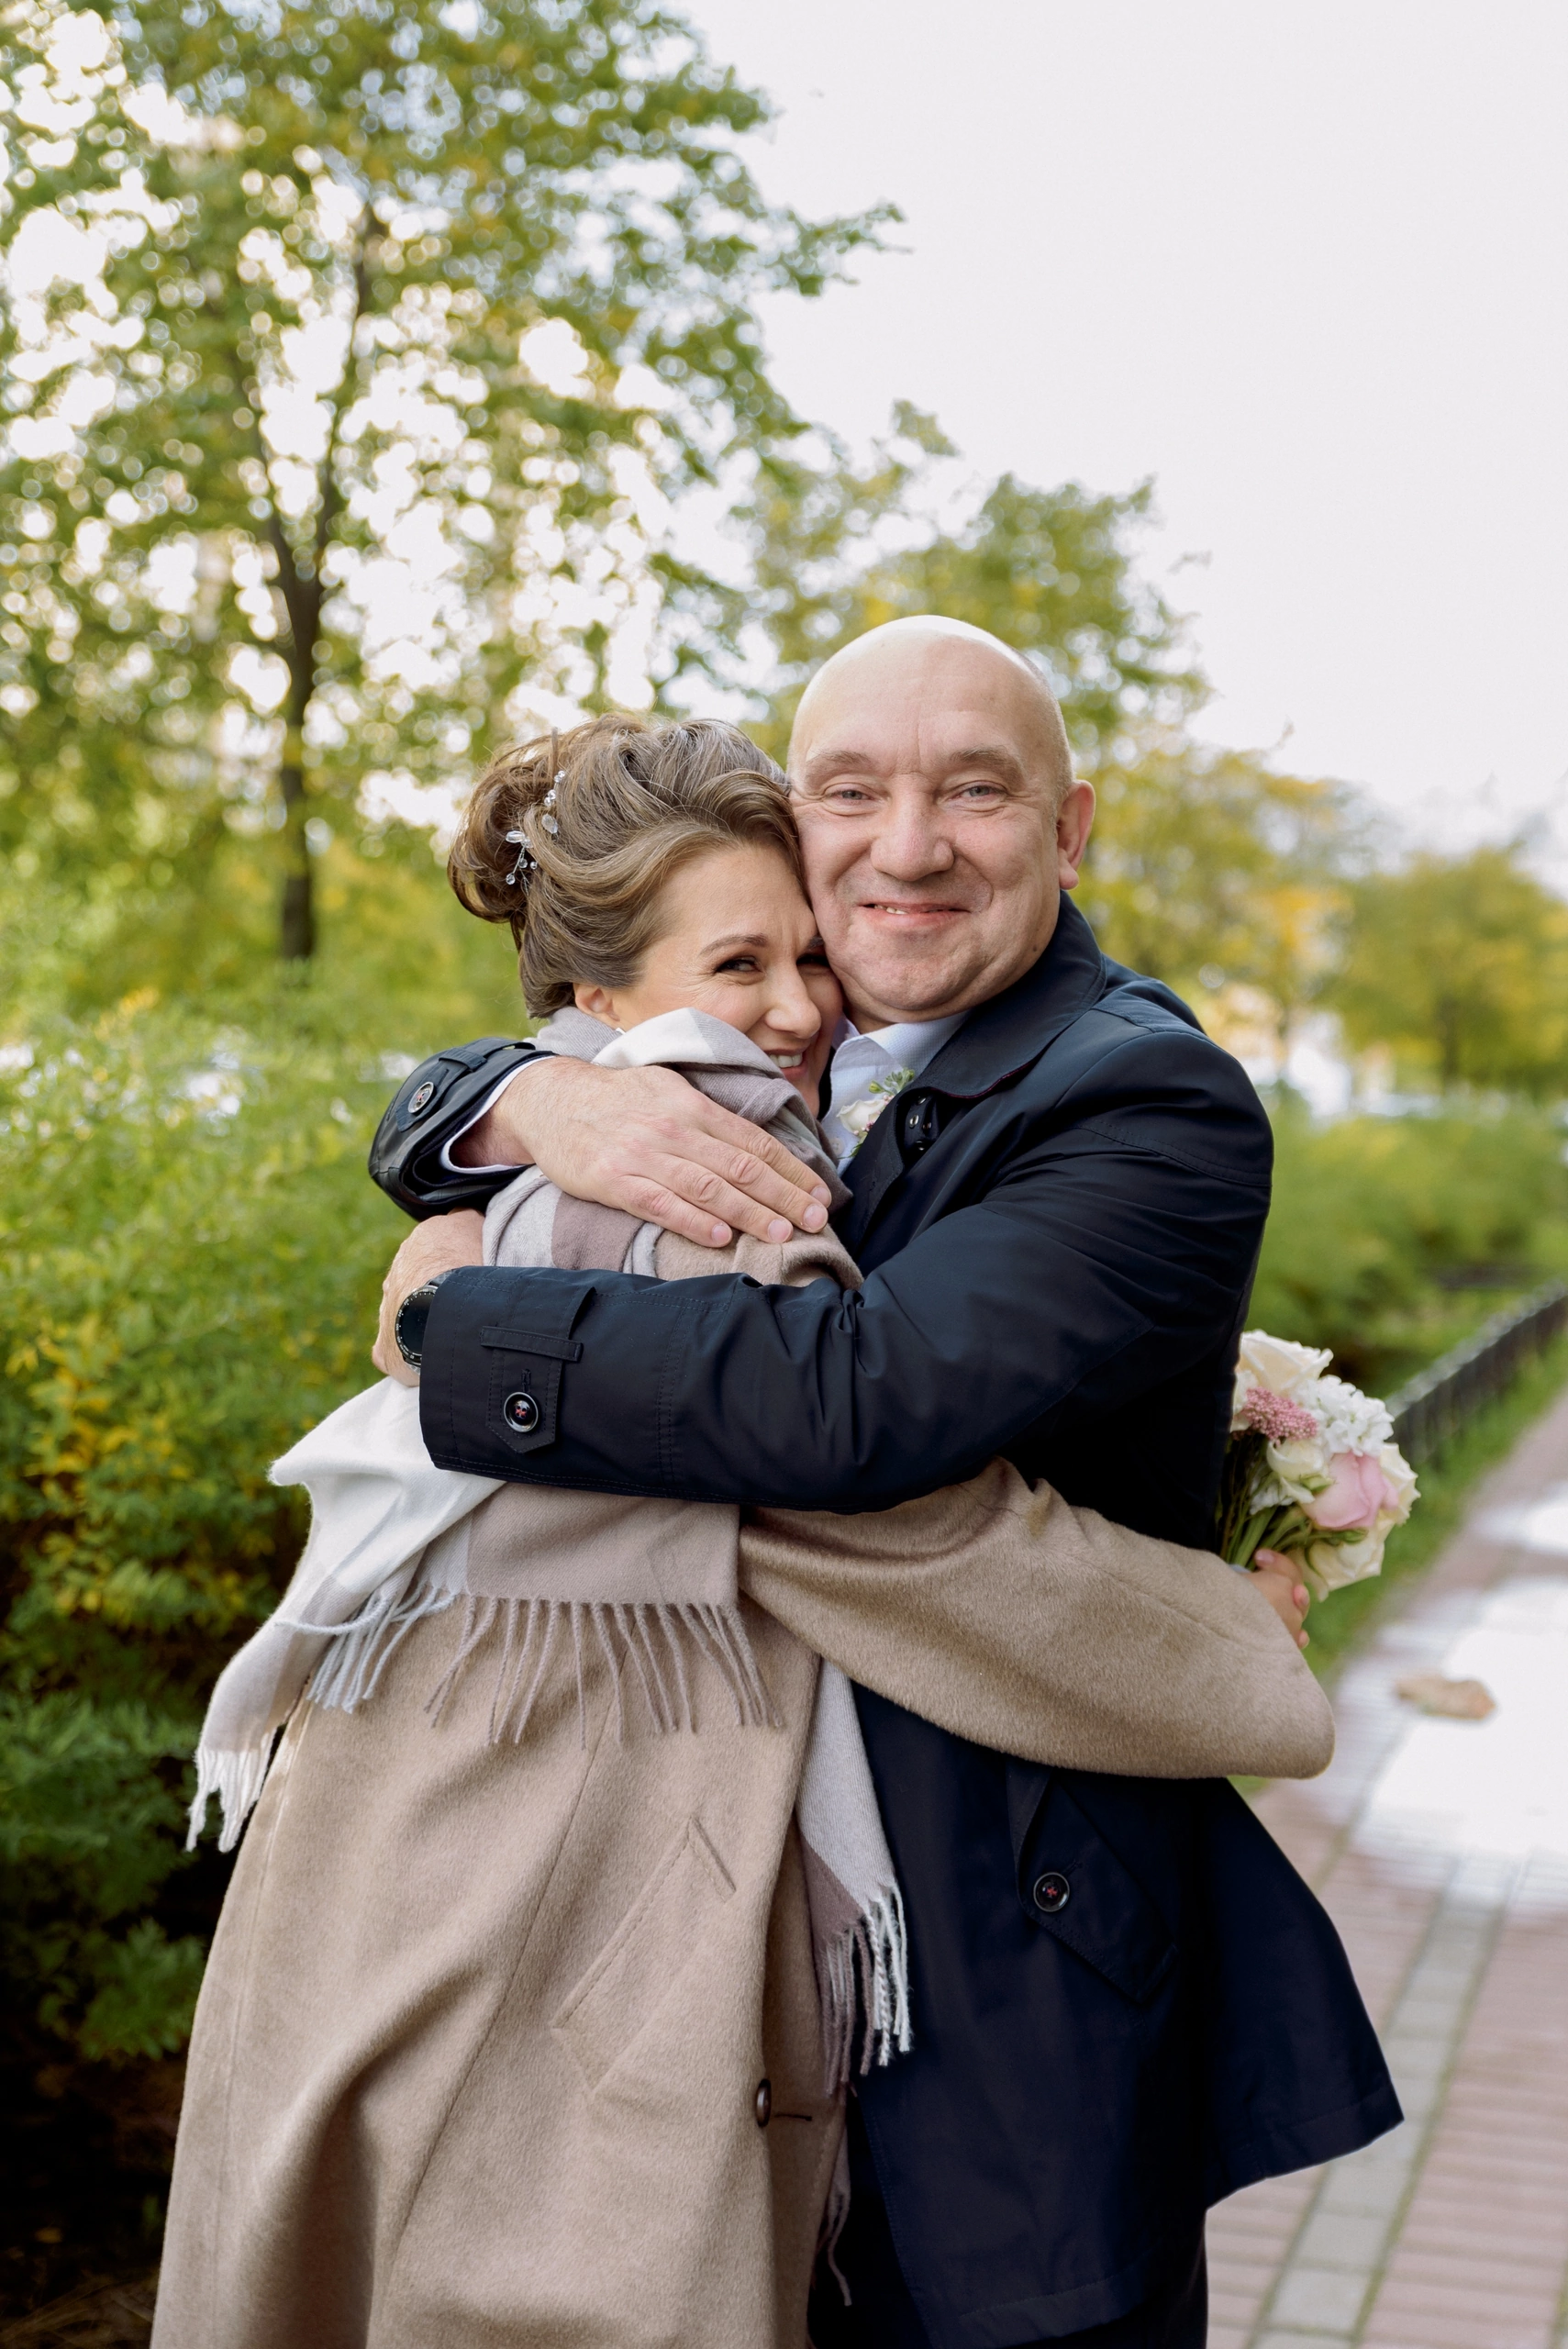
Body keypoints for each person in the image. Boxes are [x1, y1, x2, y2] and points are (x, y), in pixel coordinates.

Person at [156, 715, 1332, 2349]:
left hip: (426, 1852)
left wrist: (460, 1268)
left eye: (805, 957)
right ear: (598, 1001)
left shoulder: (1073, 1090)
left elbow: (837, 1414)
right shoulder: (702, 1190)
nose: (795, 1005)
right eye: (741, 964)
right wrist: (1223, 1646)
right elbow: (886, 1522)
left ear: (1070, 830)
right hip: (539, 1879)